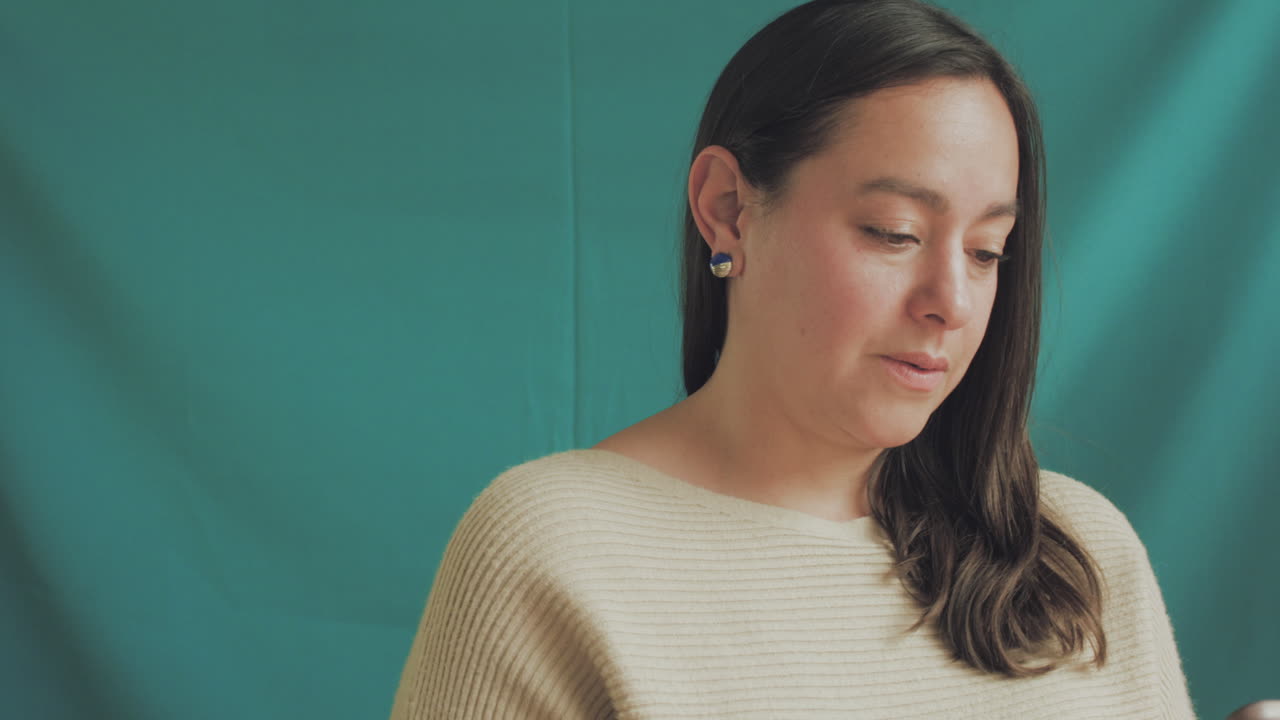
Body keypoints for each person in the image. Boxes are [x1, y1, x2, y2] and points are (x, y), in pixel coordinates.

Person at [388, 0, 1196, 717]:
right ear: (728, 210)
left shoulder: (1076, 549)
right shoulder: (552, 549)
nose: (950, 301)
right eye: (895, 234)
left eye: (987, 251)